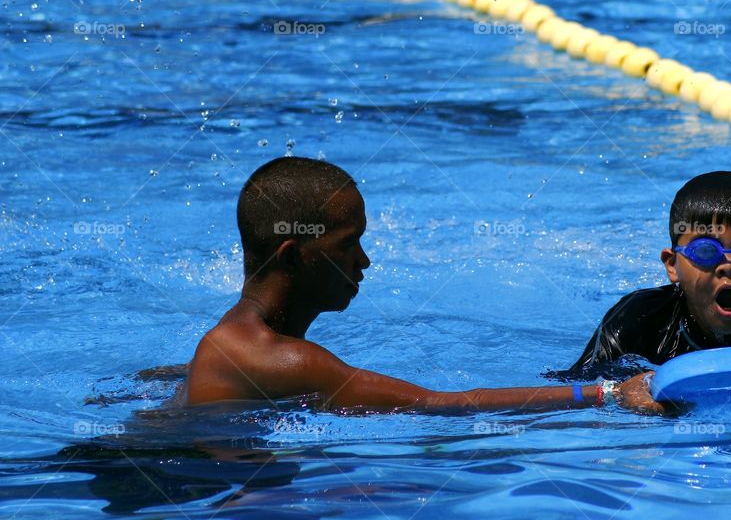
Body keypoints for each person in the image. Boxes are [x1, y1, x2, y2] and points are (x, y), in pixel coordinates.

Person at [183, 157, 658, 412]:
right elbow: (434, 405)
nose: (364, 261)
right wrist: (607, 394)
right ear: (296, 256)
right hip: (184, 480)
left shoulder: (240, 341)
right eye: (349, 245)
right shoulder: (285, 360)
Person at [558, 171, 731, 381]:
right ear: (672, 264)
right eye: (705, 250)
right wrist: (617, 393)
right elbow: (574, 390)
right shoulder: (637, 320)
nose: (730, 265)